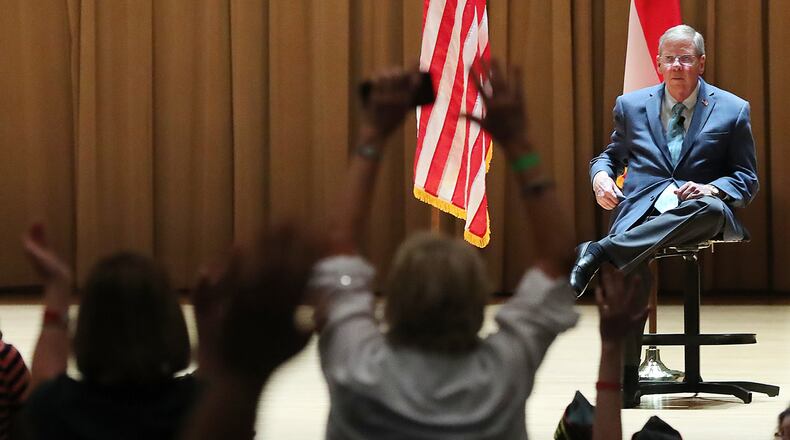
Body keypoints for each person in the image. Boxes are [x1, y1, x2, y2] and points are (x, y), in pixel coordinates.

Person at [311, 61, 578, 439]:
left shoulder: (356, 368)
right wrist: (520, 145)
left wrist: (372, 134)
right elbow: (558, 257)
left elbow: (337, 245)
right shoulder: (503, 373)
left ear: (394, 301)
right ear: (476, 303)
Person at [569, 24, 758, 407]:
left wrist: (712, 188)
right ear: (658, 64)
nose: (677, 65)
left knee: (706, 207)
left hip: (698, 212)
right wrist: (600, 176)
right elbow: (609, 156)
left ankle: (599, 250)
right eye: (669, 58)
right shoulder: (631, 105)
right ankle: (627, 382)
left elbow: (746, 178)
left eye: (686, 58)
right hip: (643, 212)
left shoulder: (733, 109)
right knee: (629, 266)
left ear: (700, 63)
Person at [20, 224, 198, 439]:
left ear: (87, 327)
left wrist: (57, 285)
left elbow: (44, 382)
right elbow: (230, 379)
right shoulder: (202, 408)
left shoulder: (56, 410)